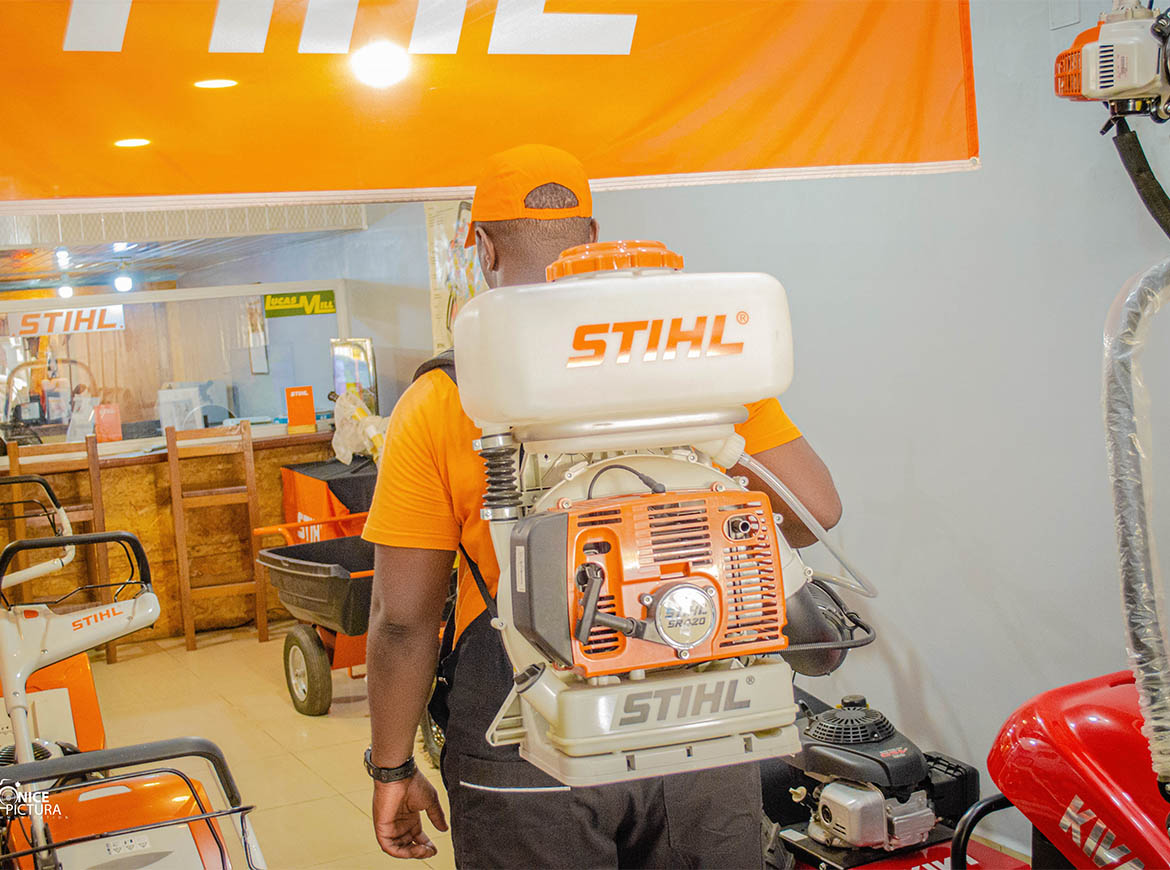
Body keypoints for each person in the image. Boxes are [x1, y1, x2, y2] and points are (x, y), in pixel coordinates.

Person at [361, 144, 843, 867]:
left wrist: (392, 766)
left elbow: (403, 620)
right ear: (591, 238)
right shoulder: (699, 357)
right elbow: (815, 511)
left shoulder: (441, 398)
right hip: (701, 712)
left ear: (484, 247)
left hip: (523, 727)